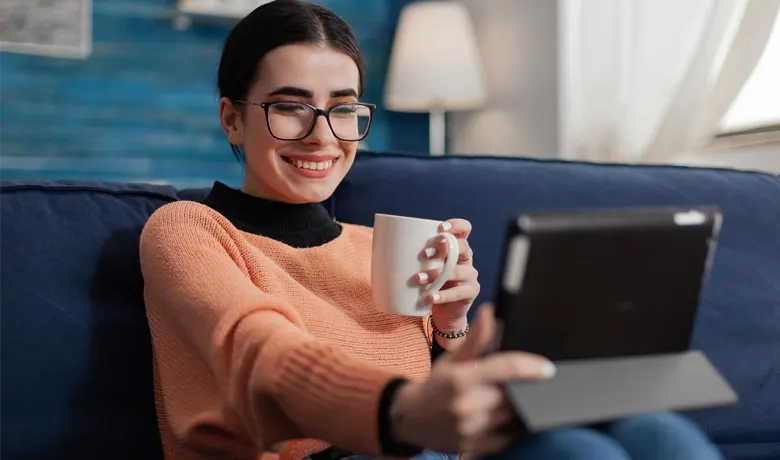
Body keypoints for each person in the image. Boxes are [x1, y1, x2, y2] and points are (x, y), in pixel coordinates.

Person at [138, 1, 724, 459]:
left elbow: (448, 415)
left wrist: (450, 329)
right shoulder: (188, 231)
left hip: (428, 450)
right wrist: (402, 409)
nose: (324, 136)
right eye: (290, 107)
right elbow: (265, 358)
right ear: (233, 119)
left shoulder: (379, 245)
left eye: (344, 109)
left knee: (653, 433)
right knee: (577, 451)